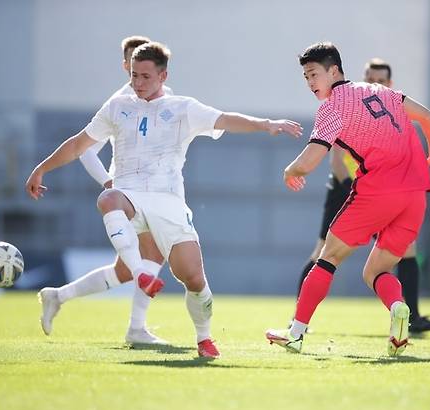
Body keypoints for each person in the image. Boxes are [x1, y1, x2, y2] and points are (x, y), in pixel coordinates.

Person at [26, 42, 302, 358]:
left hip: (168, 202)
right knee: (108, 198)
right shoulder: (117, 106)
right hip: (129, 194)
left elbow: (225, 119)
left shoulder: (182, 108)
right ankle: (140, 286)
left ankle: (204, 338)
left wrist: (267, 124)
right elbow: (79, 144)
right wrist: (41, 168)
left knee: (194, 278)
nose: (137, 82)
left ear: (163, 75)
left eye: (145, 76)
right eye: (134, 75)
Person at [266, 42, 430, 356]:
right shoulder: (381, 92)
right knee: (374, 272)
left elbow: (310, 161)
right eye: (306, 77)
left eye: (314, 74)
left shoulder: (332, 106)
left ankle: (296, 333)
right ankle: (398, 309)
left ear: (334, 70)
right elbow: (427, 117)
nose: (310, 83)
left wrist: (290, 170)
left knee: (327, 257)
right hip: (416, 195)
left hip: (378, 192)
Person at [37, 36, 173, 346]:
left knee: (124, 270)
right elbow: (85, 149)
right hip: (133, 194)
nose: (133, 71)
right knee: (151, 255)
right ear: (125, 65)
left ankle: (58, 295)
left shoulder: (160, 98)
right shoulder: (120, 103)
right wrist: (108, 183)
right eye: (130, 64)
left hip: (155, 190)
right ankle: (137, 329)